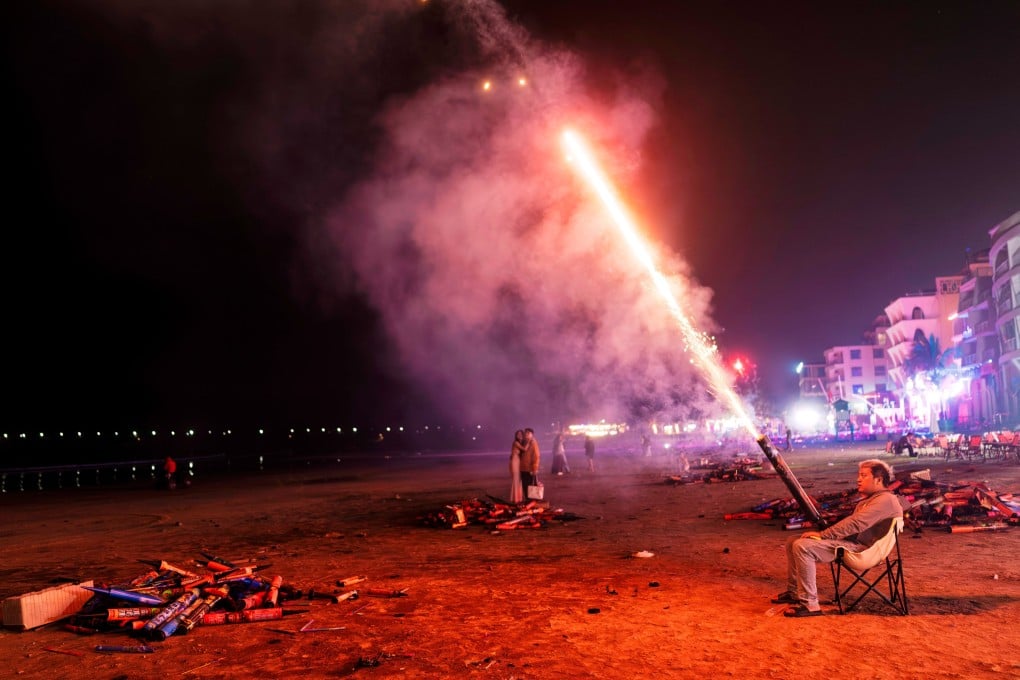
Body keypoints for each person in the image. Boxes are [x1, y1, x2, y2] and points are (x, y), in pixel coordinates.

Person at [772, 459, 903, 617]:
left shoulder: (885, 500)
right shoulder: (870, 501)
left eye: (863, 475)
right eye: (859, 475)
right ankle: (795, 593)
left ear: (879, 479)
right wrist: (824, 530)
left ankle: (810, 604)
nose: (858, 479)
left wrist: (824, 535)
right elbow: (853, 529)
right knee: (793, 540)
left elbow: (856, 524)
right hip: (854, 544)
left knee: (802, 546)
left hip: (864, 551)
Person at [521, 428, 540, 498]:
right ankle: (528, 500)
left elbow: (536, 456)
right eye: (525, 433)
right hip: (523, 468)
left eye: (528, 433)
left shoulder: (533, 443)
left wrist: (534, 468)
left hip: (529, 469)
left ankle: (531, 501)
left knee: (530, 486)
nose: (526, 434)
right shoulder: (525, 442)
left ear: (532, 434)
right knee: (525, 486)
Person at [509, 430, 525, 503]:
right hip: (515, 462)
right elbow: (524, 449)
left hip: (519, 462)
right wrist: (531, 442)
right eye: (518, 434)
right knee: (516, 479)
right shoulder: (516, 443)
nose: (520, 435)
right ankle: (516, 498)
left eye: (521, 434)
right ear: (516, 436)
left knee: (519, 480)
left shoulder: (521, 443)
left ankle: (519, 497)